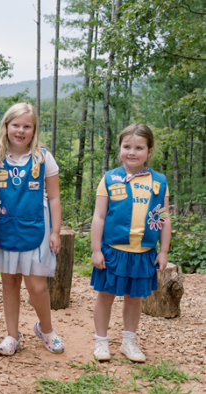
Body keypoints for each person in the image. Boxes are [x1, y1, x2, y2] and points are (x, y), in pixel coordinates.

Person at [0, 103, 65, 355]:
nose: (21, 131)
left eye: (26, 126)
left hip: (36, 227)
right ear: (6, 127)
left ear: (34, 130)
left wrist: (55, 231)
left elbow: (54, 197)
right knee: (9, 282)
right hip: (5, 225)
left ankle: (46, 329)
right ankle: (12, 335)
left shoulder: (43, 157)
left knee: (37, 286)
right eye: (15, 125)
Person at [90, 124, 170, 363]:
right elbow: (99, 216)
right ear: (119, 149)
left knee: (134, 298)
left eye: (139, 147)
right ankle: (101, 342)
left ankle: (128, 342)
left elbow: (164, 219)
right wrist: (96, 249)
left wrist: (163, 251)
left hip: (143, 253)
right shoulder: (109, 178)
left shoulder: (159, 181)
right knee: (105, 296)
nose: (132, 152)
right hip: (113, 251)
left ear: (149, 150)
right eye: (127, 147)